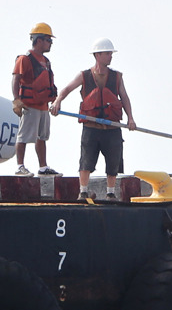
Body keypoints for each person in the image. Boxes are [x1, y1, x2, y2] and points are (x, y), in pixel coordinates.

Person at [55, 39, 136, 200]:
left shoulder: (117, 77)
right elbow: (67, 89)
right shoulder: (84, 75)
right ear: (98, 55)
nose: (110, 56)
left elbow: (124, 97)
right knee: (86, 160)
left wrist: (130, 119)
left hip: (111, 127)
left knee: (113, 161)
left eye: (111, 54)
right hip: (91, 126)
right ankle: (83, 191)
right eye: (107, 53)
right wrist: (58, 101)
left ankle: (110, 193)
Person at [12, 23, 59, 176]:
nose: (50, 43)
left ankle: (43, 167)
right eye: (48, 40)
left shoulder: (46, 61)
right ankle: (20, 166)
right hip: (29, 105)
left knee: (42, 137)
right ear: (39, 40)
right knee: (24, 136)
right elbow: (16, 79)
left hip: (43, 105)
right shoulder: (25, 59)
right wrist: (16, 100)